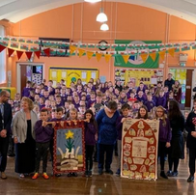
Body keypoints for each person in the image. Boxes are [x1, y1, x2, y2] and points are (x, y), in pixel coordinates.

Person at [12, 97, 38, 178]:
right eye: (22, 103)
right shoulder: (17, 114)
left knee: (30, 154)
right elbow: (13, 126)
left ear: (29, 104)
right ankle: (21, 171)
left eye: (25, 103)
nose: (23, 104)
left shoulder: (34, 114)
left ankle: (30, 170)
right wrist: (15, 136)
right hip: (21, 137)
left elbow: (37, 125)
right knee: (21, 155)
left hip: (32, 137)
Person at [96, 101, 120, 175]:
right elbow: (96, 122)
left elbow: (118, 122)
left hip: (112, 136)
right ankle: (100, 167)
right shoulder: (101, 112)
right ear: (108, 107)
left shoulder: (116, 113)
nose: (113, 111)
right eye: (111, 109)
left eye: (114, 110)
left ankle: (108, 167)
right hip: (102, 135)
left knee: (110, 153)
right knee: (100, 153)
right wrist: (96, 133)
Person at [32, 109, 53, 180]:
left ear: (48, 116)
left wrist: (45, 126)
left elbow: (50, 133)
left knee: (45, 158)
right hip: (38, 142)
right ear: (39, 116)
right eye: (41, 115)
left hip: (46, 143)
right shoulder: (38, 123)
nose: (43, 116)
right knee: (37, 157)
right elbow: (37, 131)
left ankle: (44, 171)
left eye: (45, 115)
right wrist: (42, 126)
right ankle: (36, 171)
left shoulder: (50, 123)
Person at [167, 100, 185, 177]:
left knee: (175, 155)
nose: (167, 106)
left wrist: (175, 130)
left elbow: (182, 127)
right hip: (170, 136)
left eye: (168, 104)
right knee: (170, 154)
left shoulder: (180, 116)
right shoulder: (168, 114)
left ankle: (175, 170)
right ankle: (170, 169)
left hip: (177, 137)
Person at [155, 106, 171, 179]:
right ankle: (153, 171)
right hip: (155, 141)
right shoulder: (154, 120)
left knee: (162, 157)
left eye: (160, 111)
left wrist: (168, 140)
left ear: (163, 112)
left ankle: (162, 171)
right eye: (158, 111)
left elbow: (169, 131)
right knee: (154, 156)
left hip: (163, 141)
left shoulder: (166, 120)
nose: (159, 113)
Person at [116, 103, 131, 175]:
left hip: (129, 139)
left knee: (128, 154)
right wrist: (121, 122)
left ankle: (127, 167)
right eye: (124, 110)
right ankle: (120, 167)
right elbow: (117, 128)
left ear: (129, 111)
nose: (125, 112)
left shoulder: (131, 118)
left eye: (127, 110)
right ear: (122, 111)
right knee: (120, 154)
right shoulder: (119, 118)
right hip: (120, 138)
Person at [0, 91, 12, 179]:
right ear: (2, 96)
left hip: (6, 134)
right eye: (7, 97)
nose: (8, 99)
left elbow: (9, 120)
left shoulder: (8, 106)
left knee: (4, 153)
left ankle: (2, 171)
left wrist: (5, 130)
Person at [83, 109, 98, 177]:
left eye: (89, 115)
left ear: (91, 116)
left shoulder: (93, 122)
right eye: (87, 115)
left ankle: (90, 169)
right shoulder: (83, 122)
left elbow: (93, 131)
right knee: (85, 157)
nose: (88, 116)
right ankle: (86, 169)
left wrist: (88, 123)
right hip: (85, 142)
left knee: (90, 157)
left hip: (91, 142)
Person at [185, 99, 196, 182]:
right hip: (192, 139)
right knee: (191, 157)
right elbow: (186, 125)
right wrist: (191, 131)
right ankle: (191, 174)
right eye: (195, 104)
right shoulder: (191, 114)